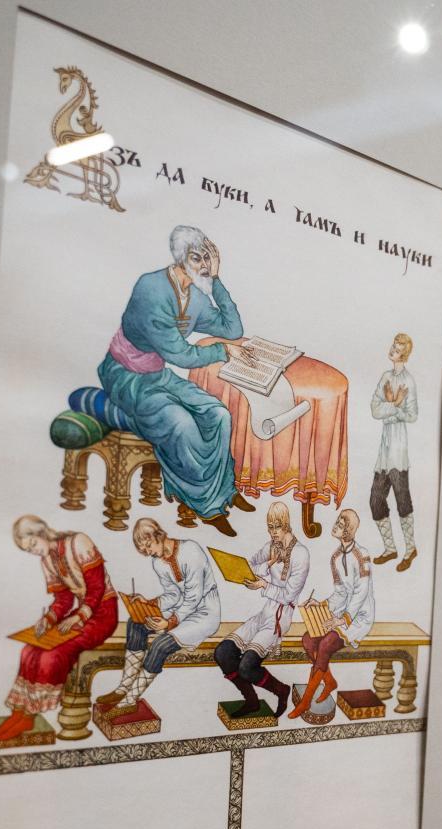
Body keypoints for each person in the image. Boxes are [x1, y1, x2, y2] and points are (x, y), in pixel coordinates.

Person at [98, 225, 258, 538]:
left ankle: (223, 490)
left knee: (219, 414)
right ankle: (205, 503)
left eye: (208, 258)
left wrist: (216, 281)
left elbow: (233, 329)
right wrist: (223, 351)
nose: (203, 264)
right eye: (197, 258)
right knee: (183, 424)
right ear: (180, 257)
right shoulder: (151, 289)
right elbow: (181, 355)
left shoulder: (196, 296)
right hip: (126, 377)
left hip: (157, 375)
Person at [0, 515, 119, 745]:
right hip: (80, 612)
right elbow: (63, 600)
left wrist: (79, 616)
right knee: (29, 650)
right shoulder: (46, 560)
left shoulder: (79, 542)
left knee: (53, 654)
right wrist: (48, 619)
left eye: (33, 544)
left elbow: (96, 589)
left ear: (42, 533)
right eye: (28, 550)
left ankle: (29, 715)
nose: (34, 551)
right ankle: (18, 715)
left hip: (103, 613)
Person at [97, 518, 221, 719]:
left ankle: (130, 700)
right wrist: (149, 603)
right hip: (180, 610)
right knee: (136, 622)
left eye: (148, 546)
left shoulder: (191, 550)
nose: (148, 553)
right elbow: (173, 595)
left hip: (204, 613)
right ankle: (123, 688)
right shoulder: (158, 562)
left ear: (158, 536)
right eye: (143, 550)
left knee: (160, 645)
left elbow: (194, 596)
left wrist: (170, 622)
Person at [217, 502, 310, 716]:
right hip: (265, 612)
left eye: (277, 527)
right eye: (270, 527)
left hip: (280, 618)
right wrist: (267, 564)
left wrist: (263, 584)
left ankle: (281, 690)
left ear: (286, 525)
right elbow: (250, 566)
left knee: (247, 666)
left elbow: (288, 595)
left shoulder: (301, 554)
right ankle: (252, 701)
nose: (272, 532)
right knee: (223, 653)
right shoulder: (270, 547)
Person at [291, 509, 375, 720]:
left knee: (326, 644)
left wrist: (344, 619)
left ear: (348, 530)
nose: (335, 525)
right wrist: (321, 604)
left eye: (340, 523)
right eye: (337, 521)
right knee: (308, 639)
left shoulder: (362, 555)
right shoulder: (336, 557)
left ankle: (305, 701)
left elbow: (361, 592)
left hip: (359, 617)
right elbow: (340, 592)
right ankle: (329, 682)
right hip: (340, 614)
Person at [369, 332, 420, 572]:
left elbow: (413, 415)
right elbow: (374, 409)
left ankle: (410, 549)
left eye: (398, 349)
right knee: (376, 500)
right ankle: (390, 548)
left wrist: (392, 408)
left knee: (402, 500)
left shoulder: (409, 381)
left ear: (404, 355)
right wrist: (394, 404)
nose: (393, 350)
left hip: (398, 451)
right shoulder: (385, 377)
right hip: (384, 451)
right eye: (393, 346)